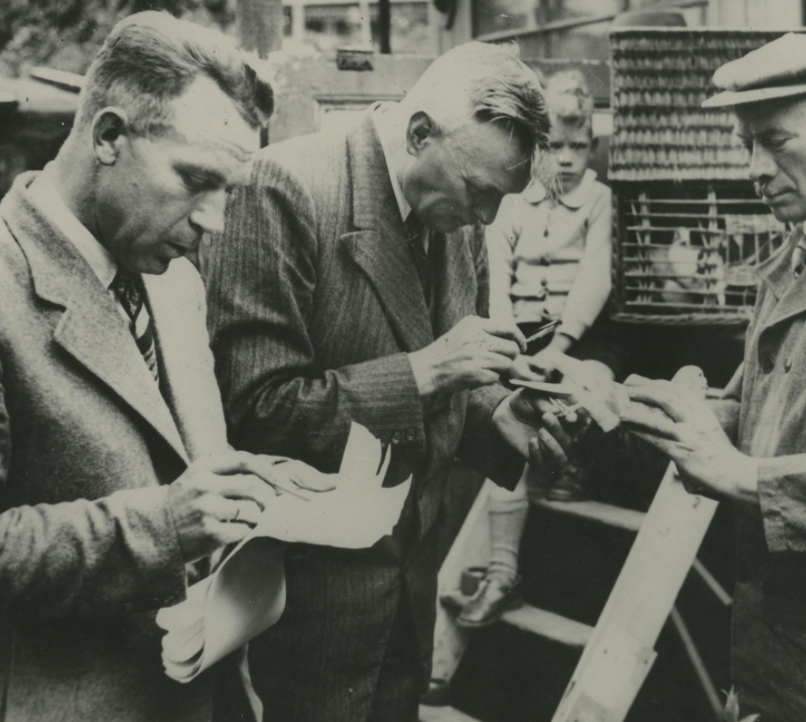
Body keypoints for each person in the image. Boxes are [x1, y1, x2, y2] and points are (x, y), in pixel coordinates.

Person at [205, 40, 581, 722]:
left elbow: (450, 388)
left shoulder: (456, 212)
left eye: (502, 198)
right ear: (418, 134)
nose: (488, 219)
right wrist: (429, 370)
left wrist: (501, 414)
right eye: (479, 192)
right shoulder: (284, 187)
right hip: (304, 607)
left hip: (408, 586)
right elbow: (256, 410)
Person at [0, 12, 331, 722]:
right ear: (108, 136)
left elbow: (170, 458)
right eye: (195, 179)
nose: (213, 221)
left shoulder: (172, 280)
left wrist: (250, 487)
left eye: (228, 191)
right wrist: (167, 524)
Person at [601, 32, 806, 721]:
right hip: (769, 662)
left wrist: (739, 476)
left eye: (774, 141)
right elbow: (762, 413)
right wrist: (666, 415)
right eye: (745, 143)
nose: (752, 167)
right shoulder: (795, 254)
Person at [455, 73, 617, 628]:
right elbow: (493, 273)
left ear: (592, 145)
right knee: (508, 429)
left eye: (578, 147)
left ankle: (576, 461)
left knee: (587, 381)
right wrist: (506, 344)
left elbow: (596, 278)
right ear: (535, 146)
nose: (566, 160)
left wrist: (564, 343)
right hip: (521, 333)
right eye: (554, 147)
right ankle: (502, 570)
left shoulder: (600, 200)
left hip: (579, 332)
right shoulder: (514, 202)